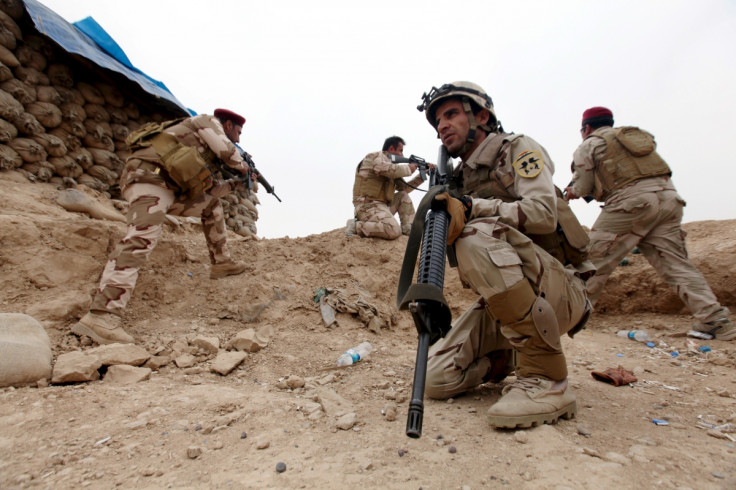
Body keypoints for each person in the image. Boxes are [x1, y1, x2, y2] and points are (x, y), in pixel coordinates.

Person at [417, 82, 593, 429]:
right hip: (509, 302)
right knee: (434, 379)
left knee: (473, 233)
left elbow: (544, 213)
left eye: (451, 114)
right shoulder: (458, 178)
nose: (443, 126)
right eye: (438, 121)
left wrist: (471, 207)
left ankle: (546, 379)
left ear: (481, 116)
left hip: (561, 291)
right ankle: (509, 357)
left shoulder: (517, 149)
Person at [72, 109, 251, 345]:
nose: (238, 139)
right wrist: (245, 167)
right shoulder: (207, 122)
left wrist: (235, 184)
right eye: (237, 132)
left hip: (168, 188)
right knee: (140, 239)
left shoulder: (201, 146)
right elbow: (229, 154)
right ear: (227, 125)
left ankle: (222, 263)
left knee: (212, 206)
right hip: (149, 179)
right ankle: (102, 315)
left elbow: (208, 191)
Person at [565, 107, 734, 341]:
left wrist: (569, 192)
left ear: (586, 128)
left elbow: (582, 187)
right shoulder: (632, 138)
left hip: (630, 204)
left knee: (590, 263)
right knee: (677, 265)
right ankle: (716, 320)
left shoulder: (589, 145)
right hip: (669, 200)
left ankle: (567, 320)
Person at [350, 136, 430, 239]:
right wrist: (409, 168)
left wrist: (423, 175)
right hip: (367, 206)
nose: (402, 155)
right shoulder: (374, 157)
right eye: (400, 151)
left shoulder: (391, 167)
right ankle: (356, 226)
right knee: (393, 229)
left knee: (403, 195)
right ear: (391, 149)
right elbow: (388, 169)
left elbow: (404, 188)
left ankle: (408, 229)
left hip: (381, 207)